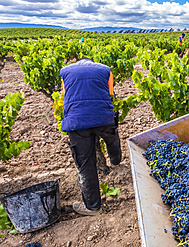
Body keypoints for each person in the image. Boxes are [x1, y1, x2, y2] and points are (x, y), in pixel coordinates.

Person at [60, 58, 122, 216]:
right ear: (92, 63)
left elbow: (65, 95)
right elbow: (110, 93)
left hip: (77, 120)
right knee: (111, 136)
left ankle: (92, 207)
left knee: (85, 163)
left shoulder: (65, 71)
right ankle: (116, 162)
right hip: (102, 116)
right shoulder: (106, 70)